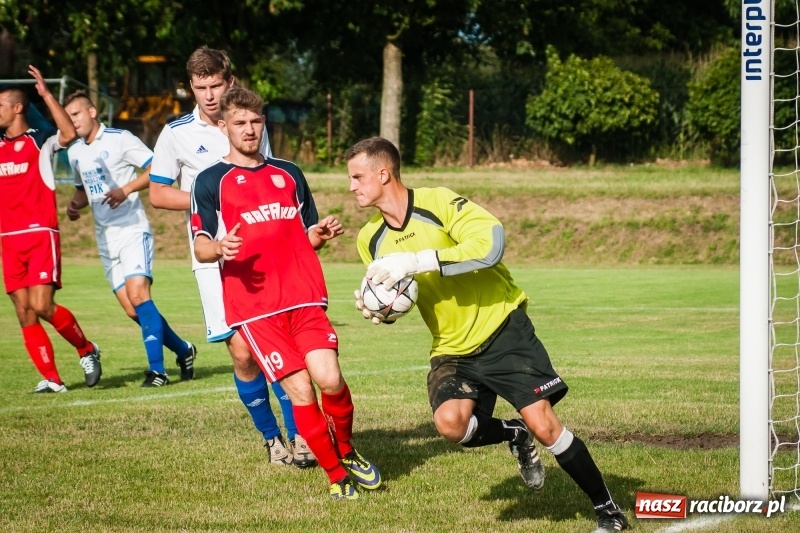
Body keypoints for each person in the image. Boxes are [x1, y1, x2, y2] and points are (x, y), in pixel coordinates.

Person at [346, 137, 629, 532]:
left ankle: (608, 510)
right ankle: (513, 434)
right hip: (451, 347)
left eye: (358, 177)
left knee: (545, 426)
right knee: (451, 425)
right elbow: (404, 293)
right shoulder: (369, 239)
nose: (352, 186)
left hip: (501, 329)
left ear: (383, 173)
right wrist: (383, 308)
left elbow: (491, 244)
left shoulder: (438, 202)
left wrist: (420, 260)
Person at [192, 86, 380, 500]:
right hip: (256, 309)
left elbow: (305, 233)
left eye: (256, 121)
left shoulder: (289, 173)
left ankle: (345, 450)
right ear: (223, 126)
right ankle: (335, 476)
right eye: (239, 122)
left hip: (304, 296)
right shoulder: (210, 181)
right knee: (300, 391)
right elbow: (200, 243)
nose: (249, 129)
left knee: (330, 379)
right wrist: (219, 248)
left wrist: (320, 233)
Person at [148, 46, 313, 467]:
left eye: (215, 85)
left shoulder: (249, 122)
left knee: (273, 345)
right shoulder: (174, 133)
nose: (207, 94)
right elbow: (159, 193)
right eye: (200, 87)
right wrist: (218, 197)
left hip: (261, 256)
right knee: (242, 351)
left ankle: (300, 437)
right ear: (190, 88)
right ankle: (272, 438)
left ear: (230, 82)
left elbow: (268, 176)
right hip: (211, 257)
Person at [62, 91, 196, 387]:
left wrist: (125, 189)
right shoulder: (74, 152)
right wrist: (75, 205)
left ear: (93, 112)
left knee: (139, 296)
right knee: (131, 308)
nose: (72, 120)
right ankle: (183, 349)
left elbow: (155, 169)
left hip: (133, 229)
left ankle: (157, 371)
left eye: (76, 114)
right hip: (105, 239)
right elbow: (83, 190)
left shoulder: (119, 138)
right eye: (68, 116)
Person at [0, 66, 102, 393]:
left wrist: (45, 95)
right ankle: (52, 379)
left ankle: (87, 349)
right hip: (8, 239)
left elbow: (69, 134)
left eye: (0, 105)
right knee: (24, 311)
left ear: (17, 107)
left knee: (42, 305)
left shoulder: (39, 141)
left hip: (40, 234)